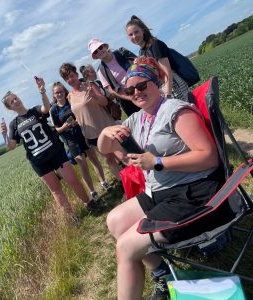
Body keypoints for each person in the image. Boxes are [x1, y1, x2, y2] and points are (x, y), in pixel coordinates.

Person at [97, 56, 229, 300]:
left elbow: (210, 157)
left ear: (155, 83)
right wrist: (106, 131)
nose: (136, 92)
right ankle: (162, 273)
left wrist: (157, 162)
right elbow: (104, 148)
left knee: (125, 248)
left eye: (142, 85)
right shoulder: (138, 118)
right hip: (162, 192)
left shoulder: (175, 111)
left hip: (194, 194)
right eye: (130, 90)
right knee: (115, 221)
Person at [0, 77, 93, 220]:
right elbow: (11, 146)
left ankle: (90, 203)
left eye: (16, 98)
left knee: (72, 180)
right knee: (56, 191)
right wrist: (5, 135)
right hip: (39, 162)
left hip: (55, 152)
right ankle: (73, 218)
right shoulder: (14, 124)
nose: (15, 101)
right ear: (10, 107)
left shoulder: (35, 110)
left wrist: (42, 91)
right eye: (12, 101)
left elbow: (46, 108)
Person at [59, 62, 121, 184]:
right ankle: (126, 184)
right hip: (92, 135)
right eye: (66, 78)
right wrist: (76, 123)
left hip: (106, 127)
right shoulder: (70, 96)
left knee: (121, 155)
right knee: (109, 160)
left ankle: (142, 180)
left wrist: (94, 96)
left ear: (76, 74)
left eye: (71, 75)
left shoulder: (89, 85)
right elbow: (80, 114)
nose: (70, 79)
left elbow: (104, 102)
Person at [50, 81, 109, 201]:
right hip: (71, 141)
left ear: (64, 91)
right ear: (54, 95)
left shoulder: (70, 101)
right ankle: (93, 192)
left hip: (83, 134)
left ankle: (104, 182)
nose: (60, 94)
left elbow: (80, 112)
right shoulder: (54, 110)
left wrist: (77, 121)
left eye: (61, 91)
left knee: (94, 159)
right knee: (83, 164)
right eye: (57, 92)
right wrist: (65, 126)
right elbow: (56, 129)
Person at [125, 15, 190, 102]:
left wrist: (168, 94)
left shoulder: (155, 45)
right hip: (162, 88)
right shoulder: (142, 52)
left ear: (143, 31)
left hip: (172, 85)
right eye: (130, 34)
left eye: (136, 32)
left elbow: (167, 72)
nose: (134, 36)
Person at [88, 38, 141, 117]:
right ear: (95, 56)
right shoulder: (100, 71)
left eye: (100, 47)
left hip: (142, 88)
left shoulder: (122, 52)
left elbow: (140, 63)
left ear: (105, 46)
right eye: (95, 51)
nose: (99, 51)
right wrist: (130, 98)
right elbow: (111, 90)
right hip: (127, 100)